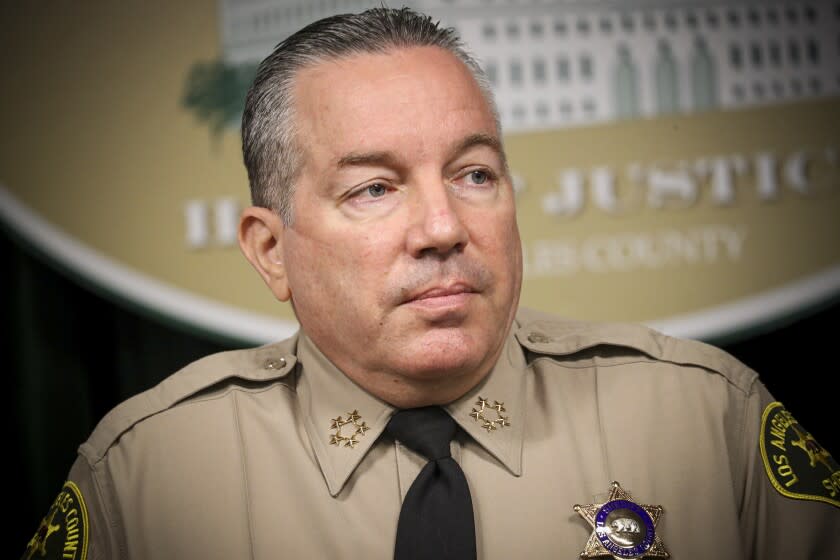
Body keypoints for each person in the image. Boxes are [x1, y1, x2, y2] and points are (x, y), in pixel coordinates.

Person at [23, 7, 838, 560]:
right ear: (271, 250)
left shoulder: (706, 420)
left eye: (475, 174)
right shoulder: (149, 474)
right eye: (374, 189)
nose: (445, 227)